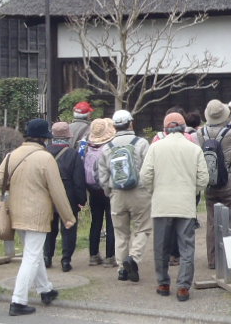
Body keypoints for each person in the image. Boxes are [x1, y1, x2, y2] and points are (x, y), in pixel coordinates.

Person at [0, 118, 76, 316]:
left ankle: (46, 290)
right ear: (43, 138)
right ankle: (18, 300)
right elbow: (57, 191)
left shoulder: (12, 155)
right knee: (31, 256)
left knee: (35, 253)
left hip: (15, 211)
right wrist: (68, 216)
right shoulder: (45, 158)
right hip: (37, 214)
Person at [140, 111, 208, 302]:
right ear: (184, 127)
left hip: (162, 203)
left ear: (165, 128)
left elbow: (145, 176)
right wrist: (191, 190)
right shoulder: (194, 149)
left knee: (161, 245)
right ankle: (183, 287)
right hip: (185, 203)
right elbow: (204, 178)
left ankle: (163, 283)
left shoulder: (155, 148)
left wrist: (155, 190)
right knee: (187, 246)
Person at [197, 98, 231, 271]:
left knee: (212, 222)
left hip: (210, 183)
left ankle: (212, 260)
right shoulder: (230, 134)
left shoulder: (200, 133)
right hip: (230, 183)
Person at [97, 109, 150, 282]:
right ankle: (133, 258)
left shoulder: (107, 147)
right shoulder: (141, 143)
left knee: (121, 232)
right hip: (139, 192)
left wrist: (109, 192)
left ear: (114, 126)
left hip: (117, 193)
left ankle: (121, 269)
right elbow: (148, 169)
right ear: (130, 123)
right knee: (143, 228)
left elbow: (103, 176)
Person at [44, 121, 87, 272]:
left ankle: (47, 257)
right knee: (69, 228)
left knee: (49, 228)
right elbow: (79, 180)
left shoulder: (45, 152)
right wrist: (82, 199)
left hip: (48, 196)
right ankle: (66, 260)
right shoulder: (73, 154)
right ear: (68, 137)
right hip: (68, 196)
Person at [82, 117, 117, 266]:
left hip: (92, 188)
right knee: (111, 222)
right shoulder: (110, 148)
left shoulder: (86, 147)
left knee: (95, 221)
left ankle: (93, 255)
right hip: (107, 187)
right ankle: (110, 257)